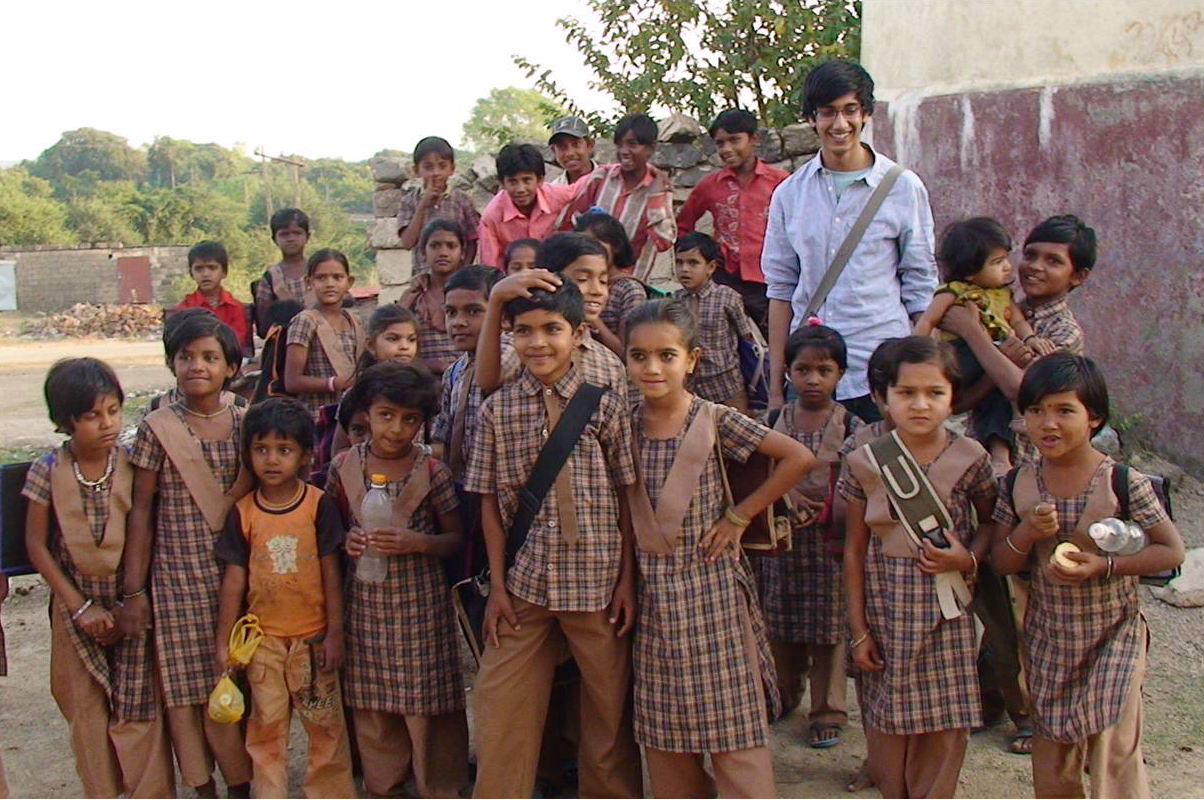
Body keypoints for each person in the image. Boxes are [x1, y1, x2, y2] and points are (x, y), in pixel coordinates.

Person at [624, 299, 811, 797]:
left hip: (713, 594)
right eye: (639, 356)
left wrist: (738, 515)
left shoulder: (714, 418)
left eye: (666, 355)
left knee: (733, 727)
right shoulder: (621, 423)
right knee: (665, 732)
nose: (652, 368)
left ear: (693, 360)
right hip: (653, 599)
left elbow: (797, 457)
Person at [464, 280, 642, 798]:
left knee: (607, 710)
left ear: (578, 333)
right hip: (523, 586)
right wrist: (497, 586)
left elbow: (627, 495)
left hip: (597, 583)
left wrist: (627, 580)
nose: (537, 343)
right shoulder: (497, 411)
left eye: (551, 330)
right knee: (498, 704)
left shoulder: (604, 402)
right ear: (509, 337)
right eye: (523, 331)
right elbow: (489, 507)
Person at [990, 354, 1184, 798]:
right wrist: (1025, 533)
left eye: (1064, 410)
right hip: (1048, 638)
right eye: (1035, 411)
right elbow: (1000, 562)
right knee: (1054, 754)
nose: (1047, 423)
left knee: (1114, 748)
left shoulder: (1120, 481)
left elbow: (1169, 550)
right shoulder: (1018, 483)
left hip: (1113, 633)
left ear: (1093, 417)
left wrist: (1106, 565)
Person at [841, 336, 997, 798]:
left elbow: (990, 525)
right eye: (906, 393)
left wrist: (966, 557)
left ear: (954, 396)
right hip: (886, 613)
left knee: (945, 725)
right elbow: (854, 548)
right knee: (886, 721)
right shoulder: (864, 461)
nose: (921, 405)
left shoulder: (972, 459)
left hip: (946, 613)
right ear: (882, 398)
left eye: (935, 393)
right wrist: (859, 631)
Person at [23, 358, 174, 798]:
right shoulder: (47, 470)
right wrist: (80, 607)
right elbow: (36, 545)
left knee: (140, 709)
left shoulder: (131, 463)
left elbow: (145, 531)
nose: (107, 424)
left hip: (132, 605)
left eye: (113, 410)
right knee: (87, 714)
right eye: (91, 416)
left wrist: (134, 599)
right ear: (65, 421)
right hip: (76, 610)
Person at [120, 314, 253, 798]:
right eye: (186, 357)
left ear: (231, 366)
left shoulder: (245, 420)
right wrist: (134, 590)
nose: (197, 366)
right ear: (172, 363)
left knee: (233, 679)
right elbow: (141, 510)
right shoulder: (157, 427)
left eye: (210, 357)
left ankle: (242, 780)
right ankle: (201, 783)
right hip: (175, 578)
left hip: (236, 575)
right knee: (183, 690)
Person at [762, 59, 937, 422]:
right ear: (811, 118)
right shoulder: (789, 194)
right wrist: (777, 389)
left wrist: (920, 370)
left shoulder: (903, 188)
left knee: (880, 474)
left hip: (880, 370)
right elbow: (780, 292)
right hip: (809, 375)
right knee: (810, 477)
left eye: (850, 111)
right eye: (827, 113)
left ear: (866, 114)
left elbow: (920, 286)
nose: (840, 125)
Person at [327, 363, 469, 799]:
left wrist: (416, 542)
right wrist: (347, 540)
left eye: (410, 420)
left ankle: (438, 787)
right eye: (386, 415)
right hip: (365, 608)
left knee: (428, 704)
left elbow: (455, 540)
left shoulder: (432, 472)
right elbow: (328, 538)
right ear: (366, 413)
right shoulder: (343, 468)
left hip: (420, 611)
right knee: (373, 707)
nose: (396, 428)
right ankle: (383, 785)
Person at [214, 399, 354, 798]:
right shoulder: (242, 513)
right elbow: (234, 581)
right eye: (261, 450)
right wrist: (224, 642)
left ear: (305, 456)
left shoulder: (317, 506)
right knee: (265, 729)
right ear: (247, 455)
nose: (271, 460)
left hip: (312, 644)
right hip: (264, 645)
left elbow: (331, 571)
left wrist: (335, 634)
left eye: (284, 450)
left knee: (325, 728)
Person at [753, 323, 861, 748]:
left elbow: (862, 475)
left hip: (830, 544)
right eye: (803, 370)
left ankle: (828, 709)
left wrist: (831, 502)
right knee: (778, 620)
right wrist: (790, 490)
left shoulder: (852, 424)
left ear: (840, 374)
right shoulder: (774, 420)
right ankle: (781, 695)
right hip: (783, 543)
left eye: (824, 370)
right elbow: (759, 467)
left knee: (830, 628)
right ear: (789, 374)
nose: (813, 379)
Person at [941, 215, 1093, 469]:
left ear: (1077, 276)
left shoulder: (1064, 333)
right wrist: (998, 363)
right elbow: (959, 403)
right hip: (976, 454)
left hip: (1029, 464)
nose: (1035, 266)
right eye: (1030, 255)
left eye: (1053, 261)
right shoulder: (1000, 312)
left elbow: (1021, 390)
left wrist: (972, 332)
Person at [914, 218, 1038, 472]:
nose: (1007, 268)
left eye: (1006, 259)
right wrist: (916, 356)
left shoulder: (1004, 294)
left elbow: (1018, 320)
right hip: (962, 355)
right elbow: (928, 320)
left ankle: (1000, 453)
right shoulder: (954, 291)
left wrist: (1031, 339)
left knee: (995, 399)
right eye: (997, 262)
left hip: (993, 357)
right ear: (970, 271)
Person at [677, 108, 790, 332]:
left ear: (753, 139)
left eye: (735, 140)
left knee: (770, 343)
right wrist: (700, 257)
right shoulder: (710, 185)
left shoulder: (780, 182)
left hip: (768, 282)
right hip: (724, 280)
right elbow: (683, 225)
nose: (727, 149)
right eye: (720, 143)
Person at [476, 233, 628, 399]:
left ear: (577, 334)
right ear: (545, 278)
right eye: (583, 279)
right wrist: (496, 299)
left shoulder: (609, 364)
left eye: (604, 281)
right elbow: (486, 381)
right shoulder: (519, 345)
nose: (597, 290)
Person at [558, 114, 676, 282]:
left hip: (631, 284)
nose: (624, 151)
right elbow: (569, 223)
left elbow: (664, 242)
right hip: (590, 281)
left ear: (651, 148)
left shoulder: (660, 189)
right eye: (620, 145)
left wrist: (655, 197)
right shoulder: (601, 177)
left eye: (632, 144)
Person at [430, 266, 510, 479]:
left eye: (473, 311)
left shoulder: (512, 358)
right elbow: (443, 438)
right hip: (465, 485)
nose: (458, 322)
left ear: (501, 316)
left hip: (503, 485)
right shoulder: (454, 372)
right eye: (451, 312)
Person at [672, 232, 759, 411]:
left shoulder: (727, 297)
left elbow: (747, 337)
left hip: (726, 385)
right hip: (690, 386)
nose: (684, 269)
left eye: (693, 263)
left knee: (736, 433)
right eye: (679, 262)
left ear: (711, 267)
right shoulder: (675, 301)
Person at [283, 249, 362, 421]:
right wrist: (333, 383)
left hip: (350, 416)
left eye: (337, 277)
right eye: (321, 278)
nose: (329, 284)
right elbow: (292, 381)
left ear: (349, 282)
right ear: (308, 282)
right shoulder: (305, 322)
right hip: (317, 417)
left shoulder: (355, 321)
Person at [477, 144, 578, 268]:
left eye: (527, 180)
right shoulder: (491, 217)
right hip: (516, 279)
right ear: (502, 183)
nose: (520, 189)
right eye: (513, 181)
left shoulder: (559, 196)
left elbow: (589, 183)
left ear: (540, 180)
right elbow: (490, 267)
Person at [395, 136, 479, 274]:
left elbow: (472, 239)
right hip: (423, 277)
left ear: (452, 168)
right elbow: (407, 242)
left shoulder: (462, 200)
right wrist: (423, 204)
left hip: (456, 277)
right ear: (416, 170)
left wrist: (464, 268)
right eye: (428, 167)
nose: (436, 173)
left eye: (442, 166)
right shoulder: (409, 201)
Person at [398, 219, 467, 376]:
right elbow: (394, 342)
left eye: (451, 246)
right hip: (420, 381)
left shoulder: (472, 295)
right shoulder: (414, 296)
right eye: (435, 246)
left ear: (462, 252)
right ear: (423, 252)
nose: (443, 252)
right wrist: (433, 365)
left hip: (464, 380)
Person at [574, 210, 645, 349]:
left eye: (595, 245)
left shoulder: (629, 289)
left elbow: (627, 351)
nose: (588, 252)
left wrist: (591, 316)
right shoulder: (575, 280)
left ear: (616, 246)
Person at [178, 240, 250, 353]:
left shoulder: (235, 307)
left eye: (212, 268)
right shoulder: (185, 308)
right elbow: (182, 345)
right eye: (199, 269)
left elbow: (237, 342)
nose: (205, 274)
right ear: (191, 273)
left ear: (224, 272)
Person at [254, 208, 315, 337]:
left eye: (297, 233)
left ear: (307, 236)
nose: (291, 239)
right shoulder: (270, 278)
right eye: (284, 234)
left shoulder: (319, 270)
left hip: (321, 337)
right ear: (274, 239)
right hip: (284, 342)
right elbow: (264, 323)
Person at [548, 116, 597, 185]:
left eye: (575, 144)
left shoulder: (609, 181)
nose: (569, 153)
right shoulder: (553, 191)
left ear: (589, 145)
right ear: (554, 151)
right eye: (561, 146)